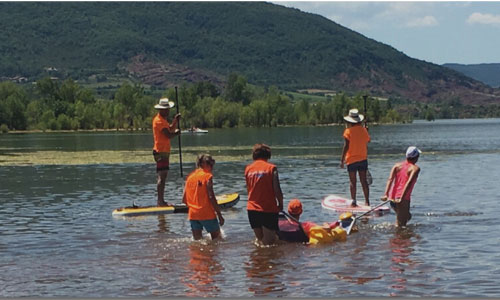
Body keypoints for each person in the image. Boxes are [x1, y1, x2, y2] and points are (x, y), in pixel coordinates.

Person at [245, 143, 284, 245]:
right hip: (267, 208)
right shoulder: (271, 168)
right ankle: (267, 260)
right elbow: (277, 189)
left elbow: (249, 188)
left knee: (260, 240)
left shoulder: (248, 169)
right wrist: (281, 203)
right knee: (269, 243)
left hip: (252, 209)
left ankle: (259, 260)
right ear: (268, 155)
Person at [182, 154, 224, 240]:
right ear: (203, 164)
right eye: (210, 164)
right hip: (206, 213)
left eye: (212, 164)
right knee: (218, 239)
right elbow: (211, 196)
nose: (212, 167)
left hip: (193, 214)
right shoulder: (207, 176)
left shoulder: (190, 177)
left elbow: (184, 199)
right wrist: (219, 214)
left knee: (197, 242)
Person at [381, 146, 422, 227]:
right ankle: (396, 238)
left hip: (392, 198)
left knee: (407, 217)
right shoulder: (415, 168)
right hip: (403, 198)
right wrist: (402, 198)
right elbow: (408, 183)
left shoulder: (397, 166)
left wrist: (386, 194)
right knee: (401, 225)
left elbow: (390, 179)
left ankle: (397, 236)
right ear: (416, 157)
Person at [340, 108, 371, 207]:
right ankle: (367, 201)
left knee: (353, 182)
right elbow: (367, 140)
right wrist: (366, 130)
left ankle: (354, 201)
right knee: (363, 181)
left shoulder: (347, 131)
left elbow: (346, 146)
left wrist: (342, 159)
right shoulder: (364, 130)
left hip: (351, 160)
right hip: (363, 158)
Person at [152, 98, 181, 206]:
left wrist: (175, 121)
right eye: (166, 109)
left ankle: (161, 200)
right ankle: (160, 201)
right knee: (162, 176)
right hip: (160, 151)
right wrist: (176, 134)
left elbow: (170, 129)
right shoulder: (158, 120)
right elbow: (168, 135)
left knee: (163, 176)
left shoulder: (163, 120)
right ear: (162, 110)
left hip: (164, 151)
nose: (168, 111)